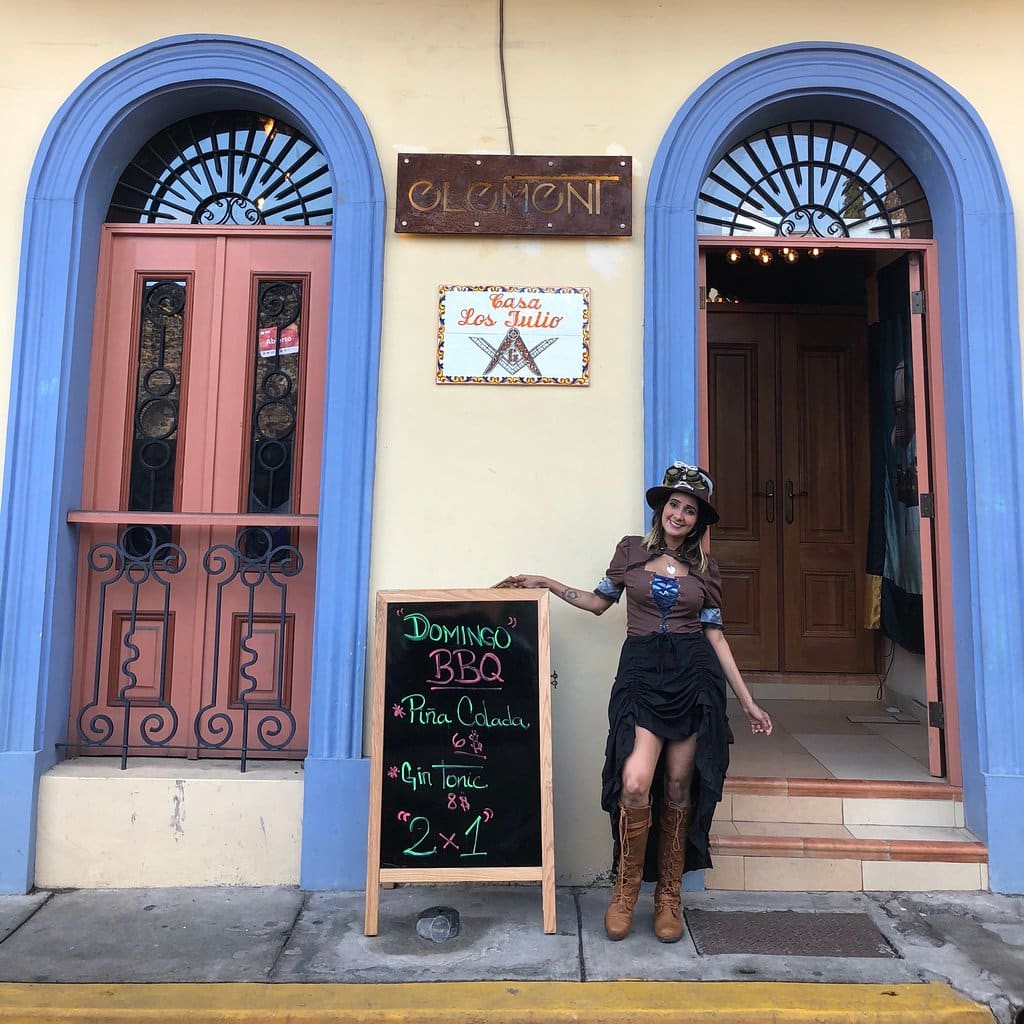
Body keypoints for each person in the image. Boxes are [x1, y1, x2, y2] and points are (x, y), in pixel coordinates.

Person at [504, 462, 772, 943]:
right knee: (634, 781)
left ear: (699, 520)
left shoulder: (707, 571)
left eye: (690, 510)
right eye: (674, 504)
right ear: (661, 508)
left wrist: (748, 701)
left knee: (676, 784)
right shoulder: (629, 552)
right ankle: (625, 891)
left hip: (692, 677)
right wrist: (546, 581)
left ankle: (668, 897)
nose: (679, 514)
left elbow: (715, 635)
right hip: (642, 675)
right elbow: (597, 602)